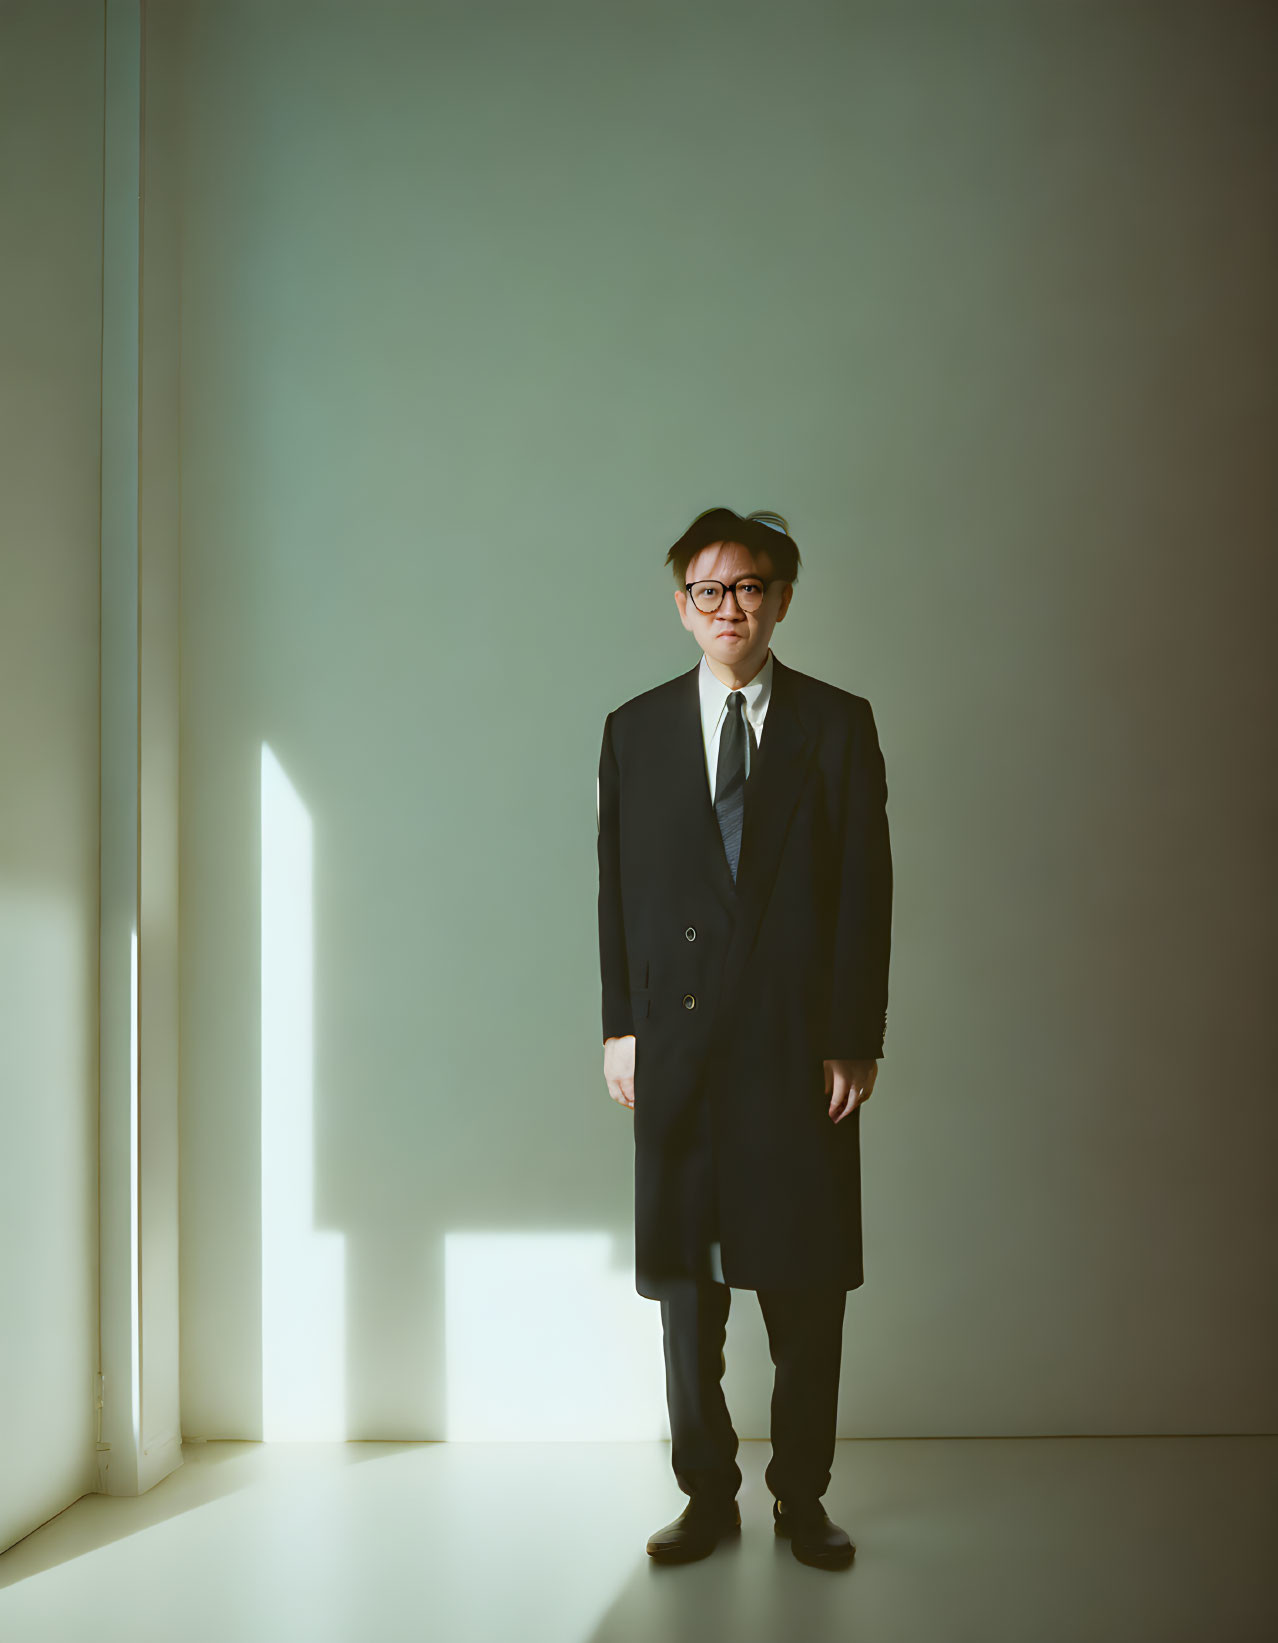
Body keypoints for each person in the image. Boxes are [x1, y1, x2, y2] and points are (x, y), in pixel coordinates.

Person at [596, 506, 893, 1570]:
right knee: (688, 1290)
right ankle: (706, 1493)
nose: (732, 607)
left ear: (783, 597)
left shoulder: (837, 722)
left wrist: (856, 1035)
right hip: (678, 1051)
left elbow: (866, 888)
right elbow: (616, 891)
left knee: (805, 1284)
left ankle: (801, 1496)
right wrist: (620, 1026)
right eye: (710, 590)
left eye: (752, 586)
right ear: (680, 604)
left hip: (799, 1045)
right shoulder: (634, 729)